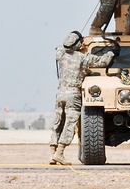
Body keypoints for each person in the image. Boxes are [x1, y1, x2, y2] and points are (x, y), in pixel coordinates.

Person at [49, 31, 117, 165]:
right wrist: (112, 52)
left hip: (60, 93)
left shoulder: (60, 54)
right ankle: (60, 153)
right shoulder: (82, 58)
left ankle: (52, 153)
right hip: (73, 94)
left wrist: (73, 39)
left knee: (58, 122)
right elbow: (102, 61)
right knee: (70, 124)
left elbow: (60, 47)